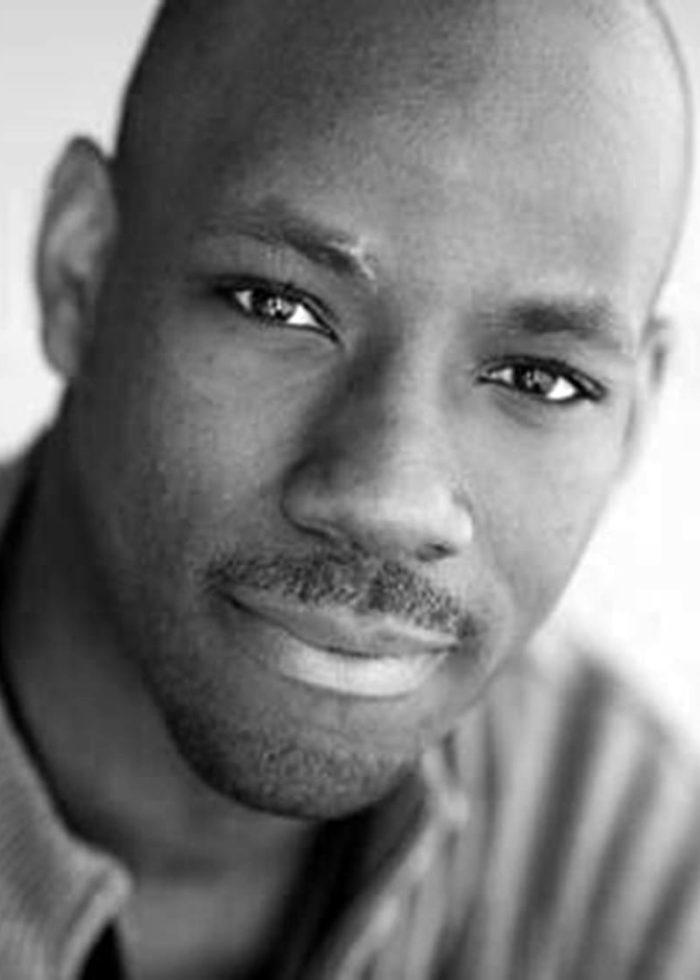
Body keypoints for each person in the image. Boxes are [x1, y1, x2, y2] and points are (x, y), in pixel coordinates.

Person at [0, 0, 698, 976]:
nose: (388, 497)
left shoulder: (625, 867)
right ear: (80, 270)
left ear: (632, 419)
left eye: (541, 378)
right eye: (277, 305)